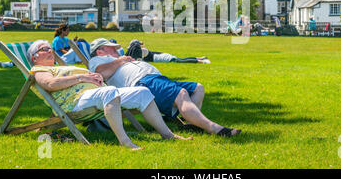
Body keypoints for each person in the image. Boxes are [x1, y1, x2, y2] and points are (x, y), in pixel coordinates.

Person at [28, 39, 191, 150]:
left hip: (96, 94)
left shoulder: (60, 68)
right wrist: (82, 77)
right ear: (34, 57)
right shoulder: (39, 70)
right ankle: (125, 142)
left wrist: (95, 77)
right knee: (110, 91)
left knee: (143, 92)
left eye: (50, 48)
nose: (51, 50)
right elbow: (50, 84)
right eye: (45, 49)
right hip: (75, 102)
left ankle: (168, 135)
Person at [89, 38, 241, 137]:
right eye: (112, 48)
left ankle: (190, 122)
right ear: (99, 51)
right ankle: (215, 129)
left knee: (198, 88)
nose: (116, 50)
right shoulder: (97, 60)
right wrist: (121, 60)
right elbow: (101, 73)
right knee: (181, 94)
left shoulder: (116, 59)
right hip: (143, 81)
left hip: (155, 79)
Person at [125, 39, 210, 64]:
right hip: (163, 56)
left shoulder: (142, 51)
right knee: (181, 59)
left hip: (163, 58)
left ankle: (202, 61)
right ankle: (199, 58)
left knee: (180, 61)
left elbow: (138, 60)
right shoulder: (143, 49)